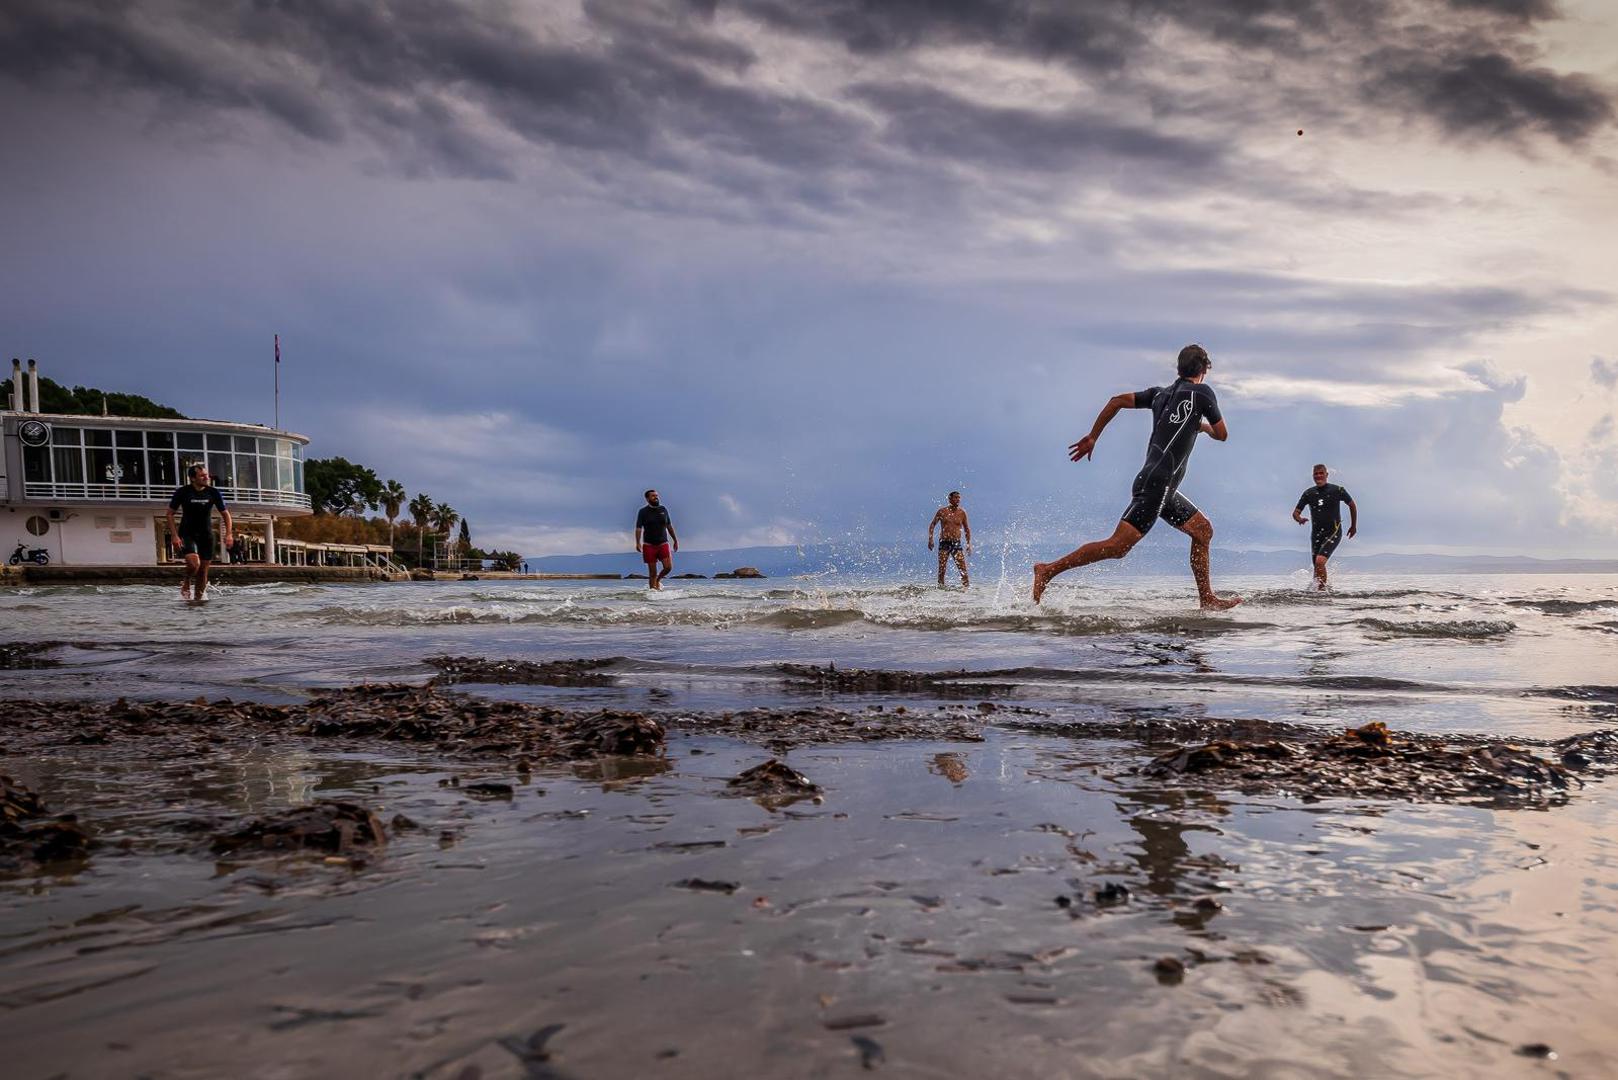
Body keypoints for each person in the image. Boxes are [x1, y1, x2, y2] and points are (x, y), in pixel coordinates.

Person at [1032, 344, 1241, 609]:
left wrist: (1093, 436)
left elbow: (1116, 401)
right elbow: (1222, 434)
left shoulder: (1159, 395)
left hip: (1156, 484)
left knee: (1202, 530)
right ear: (1204, 369)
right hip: (1158, 486)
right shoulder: (1202, 393)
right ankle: (1048, 570)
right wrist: (1201, 427)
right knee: (1118, 546)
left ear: (1179, 368)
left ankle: (1207, 599)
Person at [167, 464, 233, 601]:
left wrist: (229, 534)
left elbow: (226, 514)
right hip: (187, 533)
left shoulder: (213, 492)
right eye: (202, 475)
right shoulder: (183, 492)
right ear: (192, 478)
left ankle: (198, 601)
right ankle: (186, 580)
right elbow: (170, 514)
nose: (206, 477)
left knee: (203, 570)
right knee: (193, 564)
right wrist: (174, 535)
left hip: (206, 534)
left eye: (207, 475)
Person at [1293, 464, 1357, 590]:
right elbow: (1295, 512)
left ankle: (1322, 593)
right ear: (1313, 476)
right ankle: (1318, 594)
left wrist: (1353, 526)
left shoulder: (1337, 490)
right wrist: (1299, 519)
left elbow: (1352, 505)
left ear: (1326, 475)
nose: (1318, 476)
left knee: (1320, 562)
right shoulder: (1308, 493)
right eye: (1316, 474)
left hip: (1333, 531)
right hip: (1316, 534)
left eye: (1321, 473)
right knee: (1317, 568)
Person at [634, 489, 678, 590]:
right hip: (649, 545)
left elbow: (669, 525)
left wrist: (675, 540)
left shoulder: (663, 509)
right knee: (652, 572)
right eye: (653, 496)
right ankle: (652, 593)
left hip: (663, 543)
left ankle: (658, 580)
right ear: (647, 498)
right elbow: (638, 528)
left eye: (657, 495)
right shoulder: (643, 512)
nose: (656, 497)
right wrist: (637, 542)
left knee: (668, 568)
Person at [927, 490, 972, 587]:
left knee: (963, 569)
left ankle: (967, 592)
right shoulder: (942, 511)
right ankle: (941, 589)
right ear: (950, 499)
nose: (958, 500)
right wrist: (930, 539)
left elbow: (967, 529)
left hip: (956, 543)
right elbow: (932, 525)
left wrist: (968, 544)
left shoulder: (962, 513)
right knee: (942, 568)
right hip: (944, 543)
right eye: (956, 497)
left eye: (959, 498)